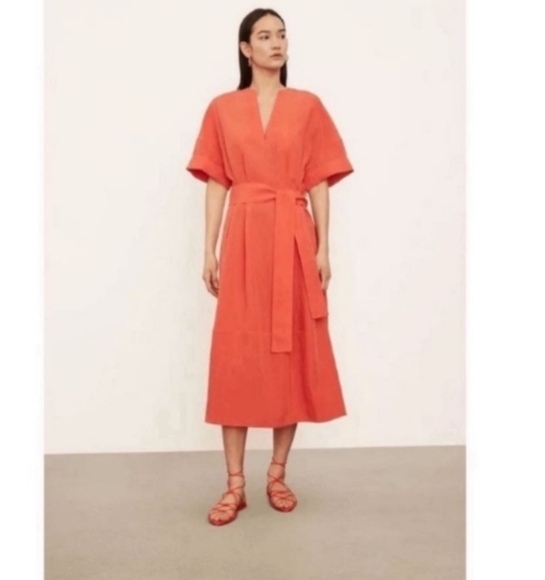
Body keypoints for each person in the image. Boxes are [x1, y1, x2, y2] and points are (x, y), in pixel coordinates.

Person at [186, 8, 354, 526]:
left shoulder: (307, 106)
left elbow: (318, 179)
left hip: (292, 238)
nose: (276, 43)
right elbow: (217, 180)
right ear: (245, 48)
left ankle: (277, 474)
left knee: (289, 353)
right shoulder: (222, 109)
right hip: (243, 238)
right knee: (237, 355)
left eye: (282, 35)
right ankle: (234, 485)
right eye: (264, 35)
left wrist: (323, 246)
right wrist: (208, 248)